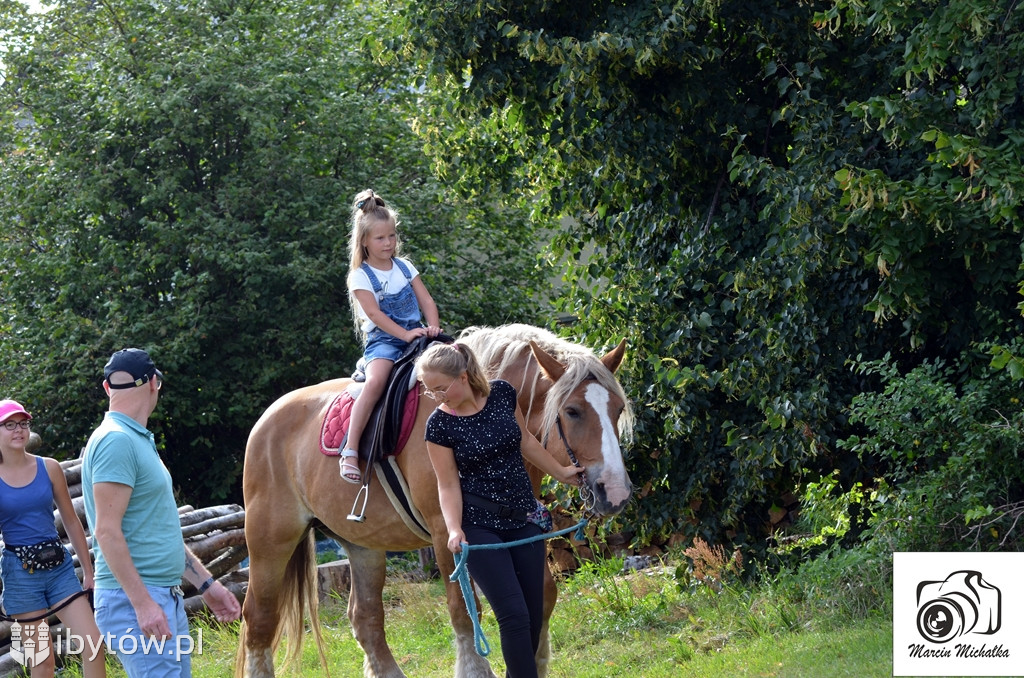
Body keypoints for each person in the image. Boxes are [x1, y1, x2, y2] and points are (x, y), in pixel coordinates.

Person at [416, 342, 582, 678]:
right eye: (429, 390)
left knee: (534, 616)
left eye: (440, 388)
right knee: (514, 616)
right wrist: (454, 529)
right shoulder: (439, 426)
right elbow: (447, 485)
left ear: (463, 376)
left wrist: (562, 473)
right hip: (479, 527)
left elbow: (526, 441)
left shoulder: (504, 395)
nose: (436, 396)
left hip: (524, 520)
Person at [80, 348, 241, 678]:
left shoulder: (135, 439)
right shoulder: (116, 441)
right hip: (136, 600)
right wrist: (142, 604)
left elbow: (160, 533)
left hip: (162, 594)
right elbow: (106, 532)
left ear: (108, 388)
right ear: (154, 383)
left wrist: (207, 585)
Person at [0, 399, 107, 678]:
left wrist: (88, 570)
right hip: (20, 575)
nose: (18, 430)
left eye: (23, 423)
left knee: (93, 644)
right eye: (9, 424)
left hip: (59, 569)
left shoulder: (49, 468)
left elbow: (71, 520)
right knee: (42, 661)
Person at [342, 188, 442, 483]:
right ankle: (350, 448)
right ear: (364, 241)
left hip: (419, 335)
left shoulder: (405, 266)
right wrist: (406, 334)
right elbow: (375, 315)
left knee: (457, 365)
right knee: (375, 383)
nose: (388, 243)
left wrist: (433, 327)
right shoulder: (360, 275)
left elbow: (426, 301)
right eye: (380, 238)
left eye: (392, 236)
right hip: (385, 341)